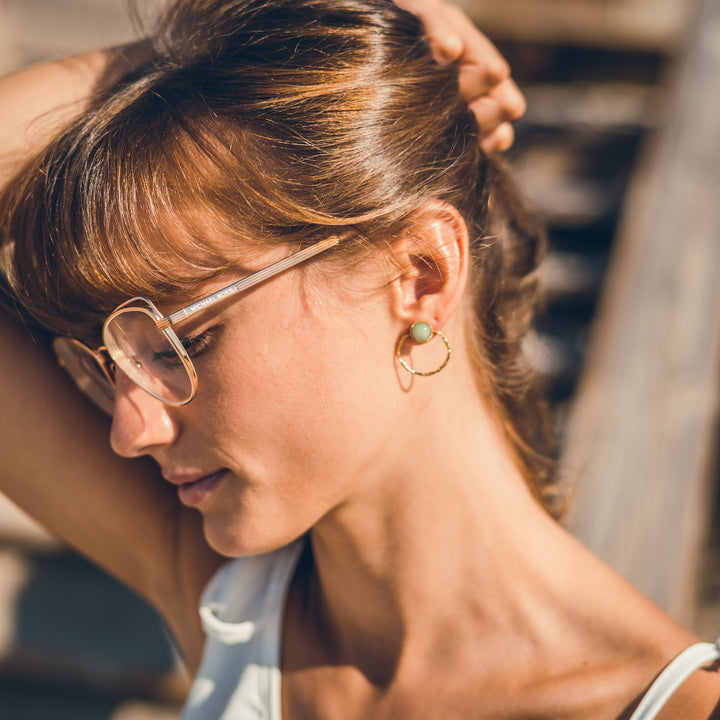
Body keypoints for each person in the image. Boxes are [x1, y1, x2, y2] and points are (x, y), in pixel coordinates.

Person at [0, 1, 718, 718]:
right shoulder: (238, 611)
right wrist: (264, 38)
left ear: (420, 276)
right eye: (111, 364)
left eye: (181, 343)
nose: (131, 432)